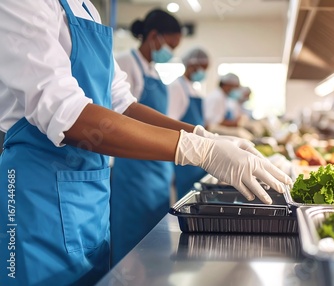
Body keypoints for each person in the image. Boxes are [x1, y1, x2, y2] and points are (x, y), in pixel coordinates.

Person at [0, 2, 292, 286]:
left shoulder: (86, 9)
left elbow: (123, 105)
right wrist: (198, 150)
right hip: (39, 194)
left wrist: (204, 136)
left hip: (90, 193)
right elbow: (67, 114)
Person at [110, 9, 182, 266]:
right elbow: (120, 118)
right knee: (131, 250)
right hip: (134, 174)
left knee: (154, 251)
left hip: (158, 173)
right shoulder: (124, 64)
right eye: (170, 46)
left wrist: (193, 137)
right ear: (153, 36)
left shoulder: (153, 71)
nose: (170, 53)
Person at [168, 47, 210, 198]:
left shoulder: (194, 89)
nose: (203, 73)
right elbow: (170, 123)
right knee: (186, 199)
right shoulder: (176, 87)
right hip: (185, 154)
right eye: (202, 68)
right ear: (191, 65)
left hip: (198, 153)